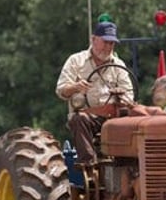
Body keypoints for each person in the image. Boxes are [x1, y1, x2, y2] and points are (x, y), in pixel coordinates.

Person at [56, 21, 134, 163]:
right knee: (78, 119)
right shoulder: (76, 61)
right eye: (105, 42)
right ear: (93, 39)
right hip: (88, 117)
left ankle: (129, 166)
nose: (108, 47)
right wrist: (76, 87)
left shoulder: (118, 65)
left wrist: (120, 95)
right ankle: (89, 166)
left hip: (112, 117)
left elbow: (129, 97)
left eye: (112, 43)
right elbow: (61, 90)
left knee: (134, 121)